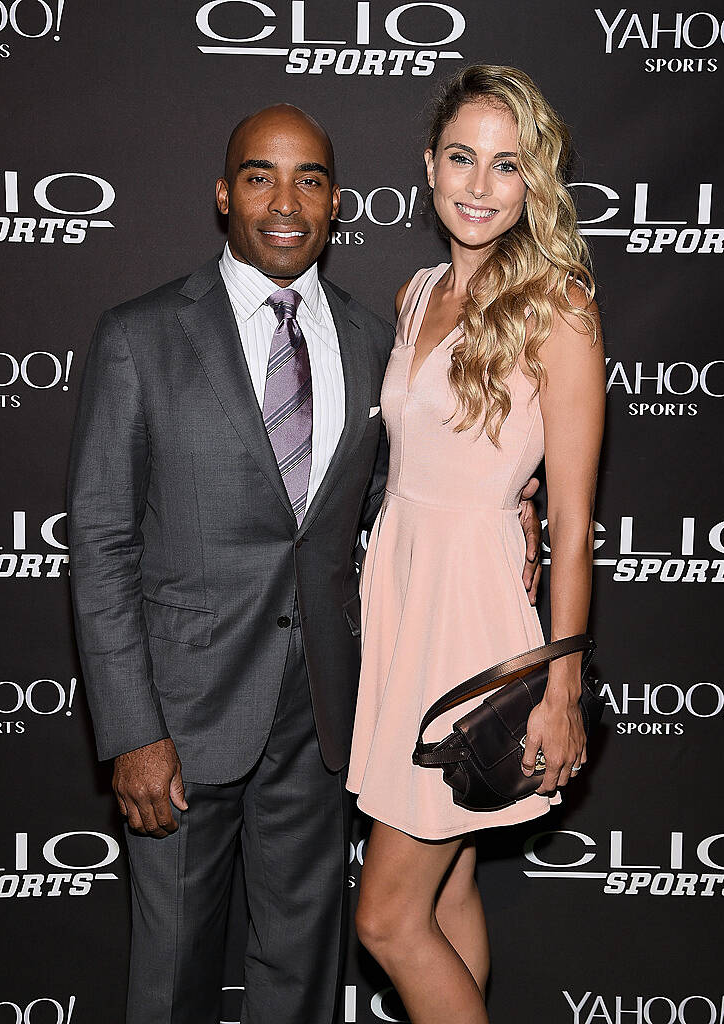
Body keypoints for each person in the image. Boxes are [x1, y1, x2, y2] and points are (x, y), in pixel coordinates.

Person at [67, 102, 544, 1024]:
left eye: (310, 181)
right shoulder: (141, 335)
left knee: (301, 979)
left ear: (336, 202)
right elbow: (100, 544)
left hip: (327, 720)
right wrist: (131, 729)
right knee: (169, 981)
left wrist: (510, 505)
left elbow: (391, 498)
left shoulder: (380, 339)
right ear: (223, 194)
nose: (285, 202)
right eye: (259, 177)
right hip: (181, 719)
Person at [347, 65, 605, 1024]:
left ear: (532, 183)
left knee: (385, 920)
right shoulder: (418, 292)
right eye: (462, 158)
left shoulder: (559, 305)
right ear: (429, 166)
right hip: (403, 599)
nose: (479, 185)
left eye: (507, 166)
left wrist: (562, 688)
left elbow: (573, 519)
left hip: (476, 627)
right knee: (445, 890)